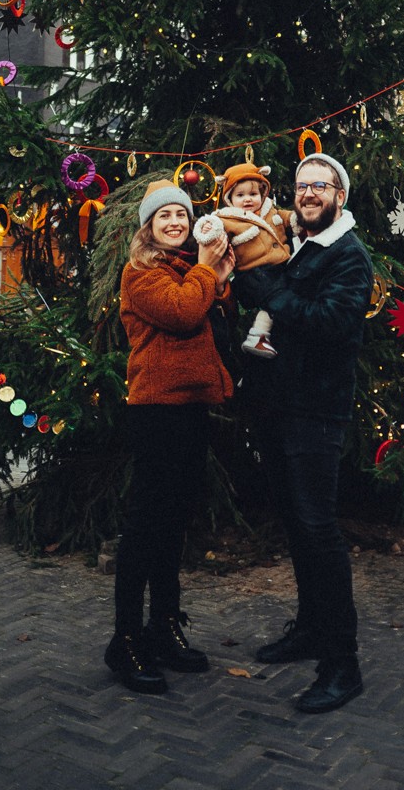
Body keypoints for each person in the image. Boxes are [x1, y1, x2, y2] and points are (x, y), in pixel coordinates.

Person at [252, 152, 373, 714]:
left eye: (319, 186)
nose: (307, 194)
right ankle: (308, 630)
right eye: (301, 186)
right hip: (281, 408)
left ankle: (342, 665)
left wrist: (268, 293)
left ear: (338, 196)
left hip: (317, 414)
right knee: (297, 527)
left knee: (320, 531)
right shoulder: (300, 245)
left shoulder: (348, 256)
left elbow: (328, 324)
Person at [104, 178, 236, 695]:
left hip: (190, 409)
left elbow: (207, 315)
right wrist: (208, 266)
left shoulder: (185, 270)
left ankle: (164, 626)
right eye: (165, 218)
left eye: (181, 215)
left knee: (174, 523)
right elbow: (183, 313)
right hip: (156, 412)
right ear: (149, 228)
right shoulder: (140, 274)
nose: (176, 223)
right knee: (145, 527)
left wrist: (218, 279)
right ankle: (125, 640)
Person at [192, 162, 291, 358]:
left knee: (283, 299)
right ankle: (258, 336)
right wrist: (206, 229)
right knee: (277, 298)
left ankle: (260, 335)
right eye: (240, 195)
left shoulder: (270, 210)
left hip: (280, 265)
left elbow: (286, 217)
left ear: (262, 195)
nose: (247, 199)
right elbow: (213, 225)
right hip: (254, 271)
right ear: (229, 199)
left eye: (253, 194)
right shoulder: (227, 218)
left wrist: (296, 220)